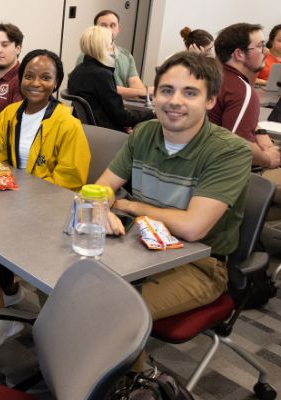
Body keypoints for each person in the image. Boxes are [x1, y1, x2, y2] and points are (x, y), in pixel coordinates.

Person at [94, 52, 252, 369]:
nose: (174, 101)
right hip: (138, 247)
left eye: (190, 93)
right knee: (65, 286)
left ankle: (139, 384)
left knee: (111, 315)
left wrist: (125, 204)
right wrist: (100, 207)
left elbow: (193, 228)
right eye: (166, 90)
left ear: (210, 101)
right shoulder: (145, 133)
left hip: (199, 265)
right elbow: (98, 190)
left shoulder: (229, 151)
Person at [0, 49, 90, 351]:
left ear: (56, 83)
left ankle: (4, 307)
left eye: (45, 77)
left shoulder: (67, 123)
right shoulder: (9, 114)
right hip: (12, 200)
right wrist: (0, 179)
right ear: (20, 78)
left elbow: (71, 180)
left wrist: (22, 196)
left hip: (48, 209)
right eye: (29, 75)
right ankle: (4, 309)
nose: (35, 82)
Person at [209, 23, 281, 219]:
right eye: (261, 46)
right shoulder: (241, 90)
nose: (266, 51)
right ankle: (232, 221)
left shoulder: (214, 76)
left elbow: (242, 124)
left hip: (204, 161)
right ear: (239, 54)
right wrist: (268, 158)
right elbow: (239, 144)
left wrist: (262, 136)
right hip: (223, 168)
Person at [67, 26, 154, 132]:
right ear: (102, 46)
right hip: (105, 133)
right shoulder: (102, 75)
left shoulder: (76, 72)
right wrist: (152, 113)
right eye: (110, 42)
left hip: (85, 131)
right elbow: (121, 118)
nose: (112, 46)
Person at [76, 10, 150, 99]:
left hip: (125, 105)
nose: (108, 29)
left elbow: (134, 81)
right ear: (96, 29)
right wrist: (146, 91)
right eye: (103, 26)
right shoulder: (87, 56)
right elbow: (106, 89)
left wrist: (145, 95)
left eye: (112, 25)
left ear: (118, 28)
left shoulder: (126, 55)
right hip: (104, 107)